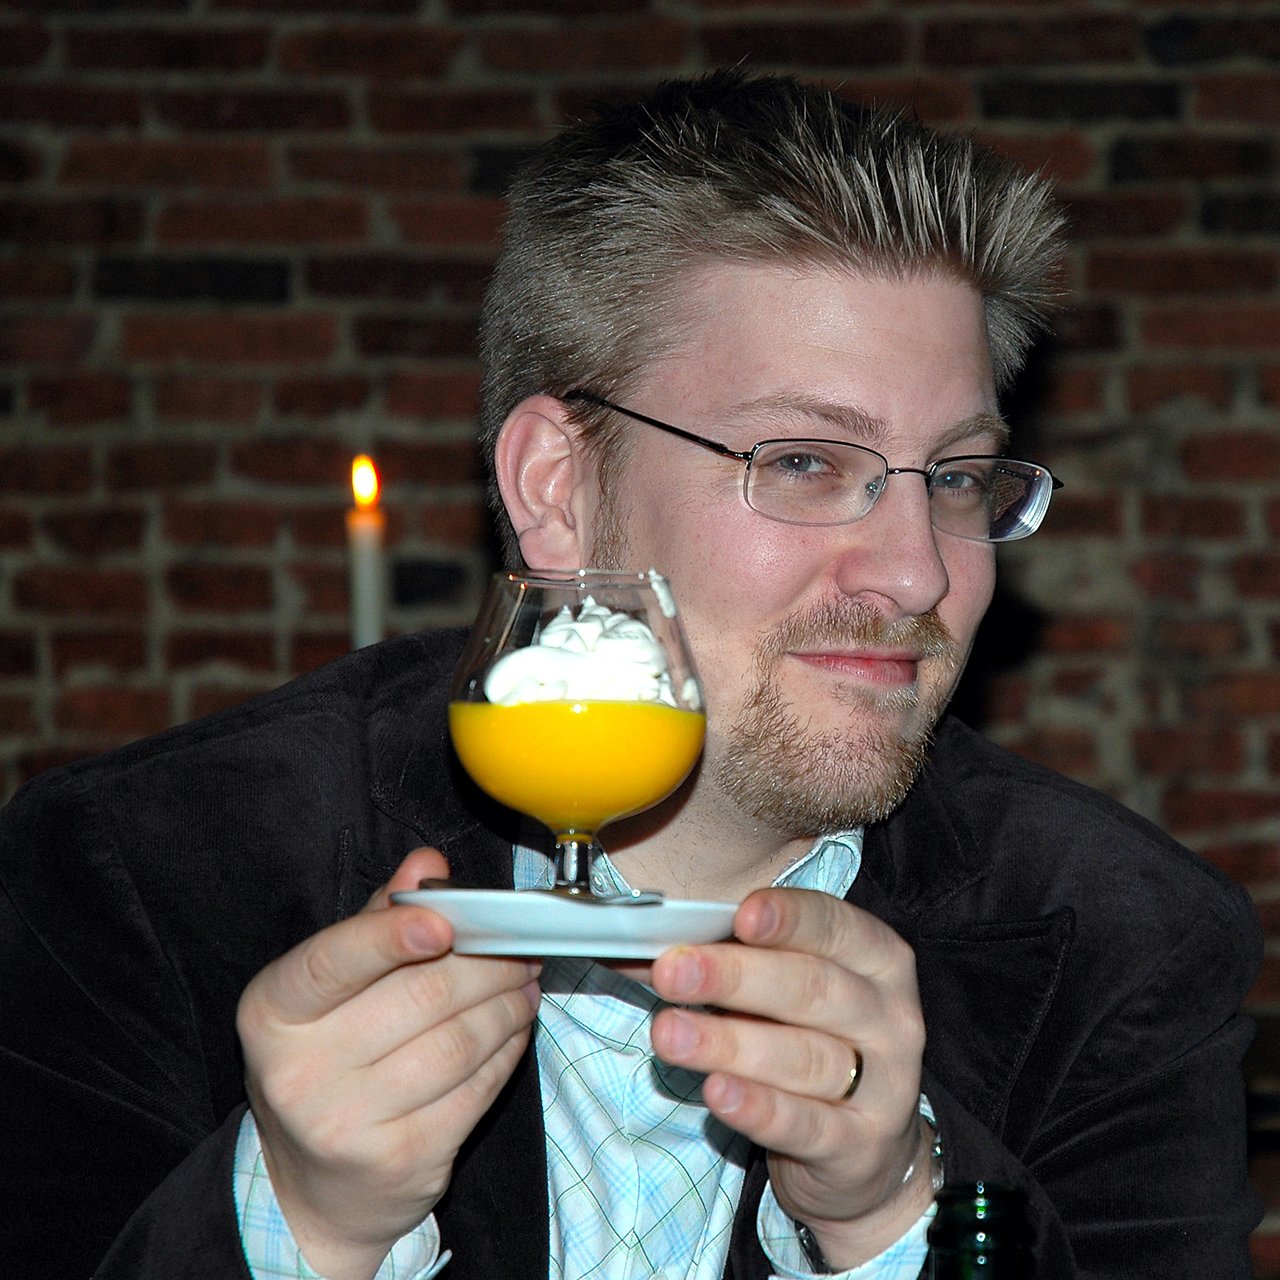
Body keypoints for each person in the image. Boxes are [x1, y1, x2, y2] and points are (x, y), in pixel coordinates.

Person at [0, 71, 1260, 1280]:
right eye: (808, 462)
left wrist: (887, 1217)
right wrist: (299, 1225)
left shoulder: (1127, 946)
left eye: (955, 476)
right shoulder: (145, 876)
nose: (919, 573)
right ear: (558, 484)